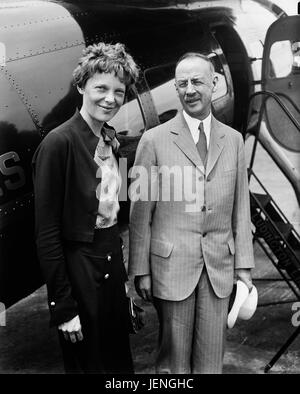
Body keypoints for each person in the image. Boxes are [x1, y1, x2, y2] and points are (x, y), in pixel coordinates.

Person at [128, 52, 255, 374]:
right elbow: (140, 213)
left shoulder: (235, 140)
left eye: (197, 81)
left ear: (214, 83)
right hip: (171, 267)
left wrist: (244, 265)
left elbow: (241, 207)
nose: (189, 90)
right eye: (181, 83)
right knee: (173, 363)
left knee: (211, 359)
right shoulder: (152, 141)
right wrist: (139, 268)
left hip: (218, 268)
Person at [32, 42, 139, 374]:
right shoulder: (58, 143)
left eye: (119, 91)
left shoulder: (110, 140)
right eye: (101, 88)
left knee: (120, 362)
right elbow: (47, 233)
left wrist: (122, 282)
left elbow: (114, 216)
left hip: (109, 262)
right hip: (79, 267)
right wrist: (62, 306)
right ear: (81, 86)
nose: (110, 98)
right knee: (89, 365)